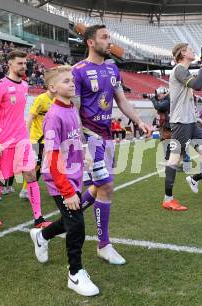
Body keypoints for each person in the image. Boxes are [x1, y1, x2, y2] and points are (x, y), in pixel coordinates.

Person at [73, 25, 151, 264]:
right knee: (106, 186)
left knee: (99, 188)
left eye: (110, 37)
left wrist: (138, 120)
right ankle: (103, 244)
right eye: (105, 37)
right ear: (90, 42)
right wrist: (81, 144)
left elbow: (122, 100)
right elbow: (74, 110)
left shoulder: (112, 67)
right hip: (89, 136)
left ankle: (51, 230)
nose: (110, 42)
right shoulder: (78, 71)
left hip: (107, 137)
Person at [30, 66, 99, 296]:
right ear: (52, 88)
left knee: (70, 219)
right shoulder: (53, 116)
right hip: (60, 180)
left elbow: (76, 137)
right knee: (77, 225)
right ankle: (75, 273)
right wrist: (66, 190)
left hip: (75, 175)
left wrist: (86, 154)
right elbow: (52, 156)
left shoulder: (72, 108)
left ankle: (42, 235)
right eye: (66, 81)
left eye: (72, 80)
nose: (72, 84)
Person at [0, 50, 51, 228]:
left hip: (22, 139)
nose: (24, 66)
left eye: (25, 63)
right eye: (20, 63)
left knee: (31, 174)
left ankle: (39, 218)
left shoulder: (24, 85)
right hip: (3, 141)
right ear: (10, 64)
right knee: (0, 179)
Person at [163, 43, 202, 211]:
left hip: (190, 122)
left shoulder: (184, 71)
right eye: (190, 49)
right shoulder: (179, 69)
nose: (193, 52)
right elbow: (198, 86)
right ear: (183, 53)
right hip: (181, 123)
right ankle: (168, 198)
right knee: (175, 159)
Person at [19, 87, 54, 200]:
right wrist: (26, 137)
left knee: (49, 165)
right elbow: (30, 118)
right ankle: (25, 189)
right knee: (35, 166)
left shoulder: (57, 100)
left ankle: (52, 188)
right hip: (37, 138)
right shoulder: (41, 99)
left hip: (50, 139)